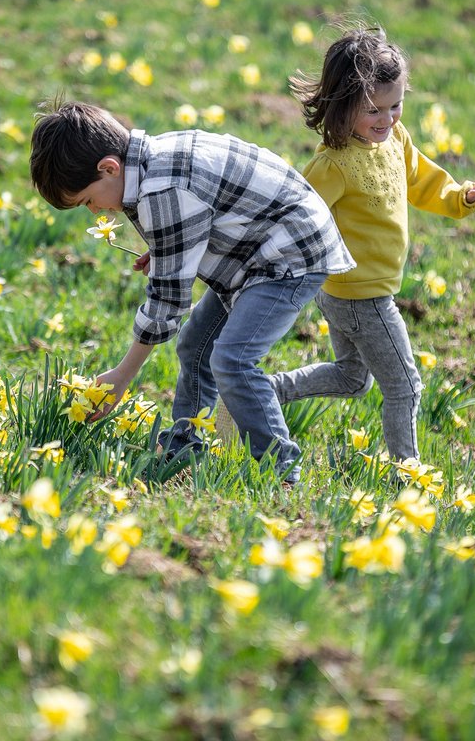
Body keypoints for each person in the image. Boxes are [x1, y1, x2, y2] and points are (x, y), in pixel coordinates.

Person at [29, 99, 355, 483]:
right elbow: (208, 206)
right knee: (194, 345)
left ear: (109, 168)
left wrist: (122, 374)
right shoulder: (154, 160)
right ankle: (185, 445)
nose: (95, 212)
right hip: (252, 250)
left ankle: (281, 469)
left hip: (289, 255)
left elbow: (167, 299)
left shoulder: (162, 191)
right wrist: (170, 247)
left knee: (232, 360)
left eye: (88, 201)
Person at [267, 27, 475, 462]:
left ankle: (267, 391)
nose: (388, 119)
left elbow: (424, 181)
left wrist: (461, 197)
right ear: (343, 104)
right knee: (405, 386)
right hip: (362, 294)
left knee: (354, 378)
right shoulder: (333, 164)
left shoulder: (394, 139)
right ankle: (407, 475)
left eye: (397, 106)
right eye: (374, 109)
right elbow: (293, 214)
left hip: (349, 292)